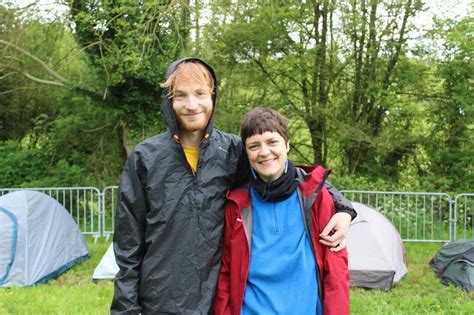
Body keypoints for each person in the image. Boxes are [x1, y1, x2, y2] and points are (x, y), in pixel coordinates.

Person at [111, 58, 355, 314]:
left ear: (213, 97)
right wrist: (126, 308)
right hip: (159, 300)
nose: (192, 104)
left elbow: (293, 173)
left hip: (214, 300)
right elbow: (128, 244)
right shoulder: (145, 158)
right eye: (180, 95)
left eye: (200, 94)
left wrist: (342, 208)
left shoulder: (232, 151)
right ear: (169, 101)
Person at [214, 108, 350, 315]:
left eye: (272, 142)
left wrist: (346, 211)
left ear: (287, 144)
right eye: (254, 146)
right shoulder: (237, 204)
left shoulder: (316, 197)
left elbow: (336, 272)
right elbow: (227, 272)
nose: (264, 152)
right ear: (246, 152)